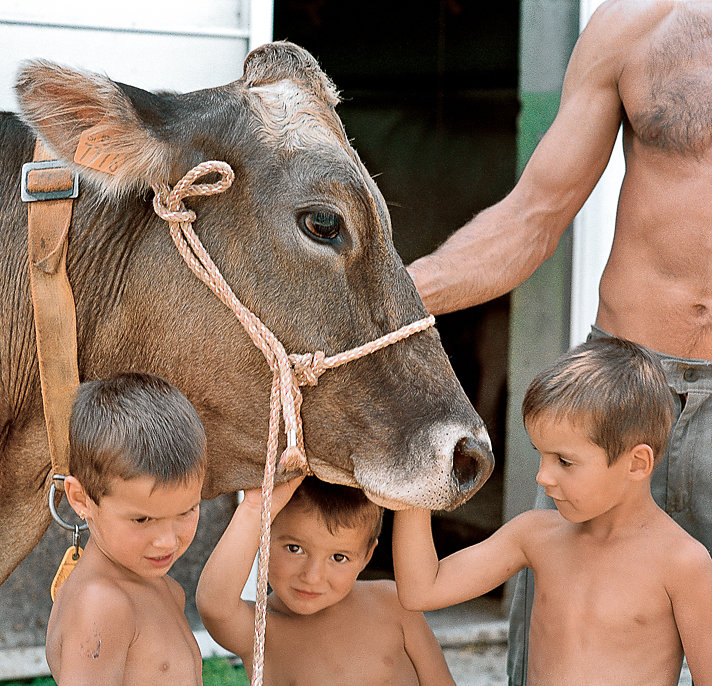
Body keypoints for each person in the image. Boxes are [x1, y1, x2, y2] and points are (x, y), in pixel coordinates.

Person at [404, 2, 712, 681]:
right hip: (619, 390)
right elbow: (534, 212)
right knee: (558, 642)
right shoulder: (635, 24)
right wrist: (386, 306)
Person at [392, 337, 712, 685]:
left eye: (564, 461)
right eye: (541, 454)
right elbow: (423, 589)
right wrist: (416, 476)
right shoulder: (535, 535)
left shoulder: (683, 564)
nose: (542, 476)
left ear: (637, 463)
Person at [197, 476, 455, 686]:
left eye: (339, 557)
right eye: (294, 548)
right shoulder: (262, 631)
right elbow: (214, 605)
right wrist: (254, 509)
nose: (312, 576)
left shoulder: (392, 604)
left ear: (367, 557)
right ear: (261, 538)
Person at [44, 372, 207, 686]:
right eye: (142, 520)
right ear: (81, 499)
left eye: (186, 511)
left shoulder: (166, 589)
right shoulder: (101, 605)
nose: (167, 541)